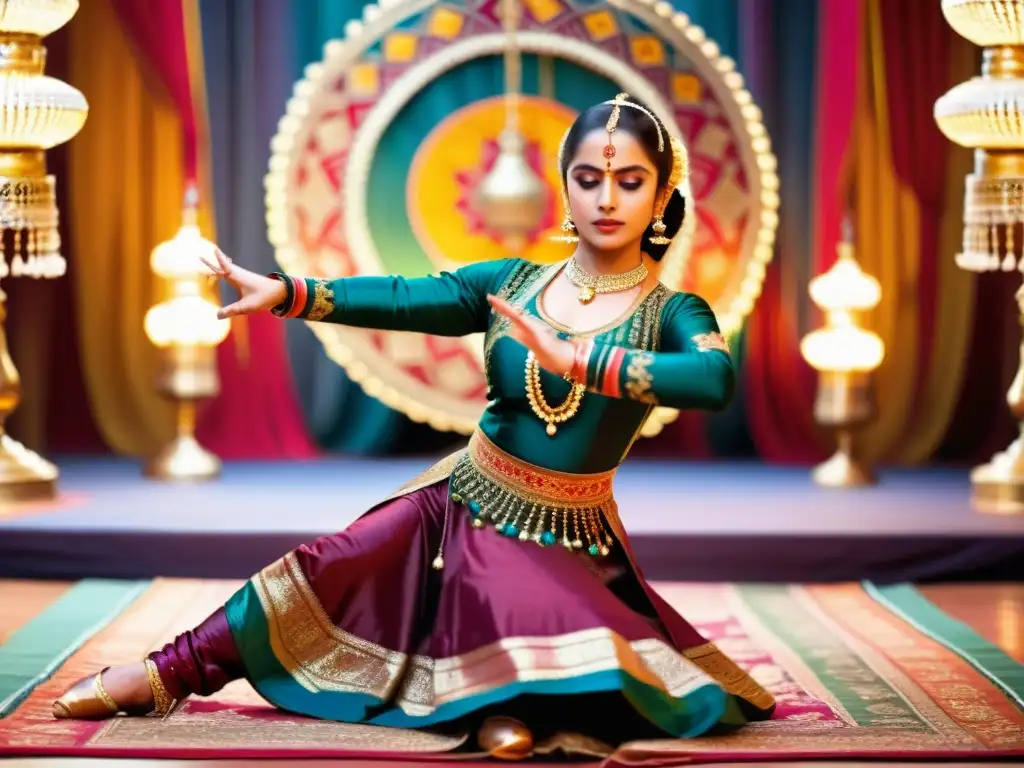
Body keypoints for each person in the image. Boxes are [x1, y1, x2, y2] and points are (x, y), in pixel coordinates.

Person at [53, 93, 774, 758]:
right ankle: (164, 673)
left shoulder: (675, 313)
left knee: (530, 599)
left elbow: (713, 381)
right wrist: (287, 293)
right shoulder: (512, 284)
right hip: (464, 494)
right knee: (327, 564)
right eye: (588, 179)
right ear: (565, 190)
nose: (606, 198)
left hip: (572, 533)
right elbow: (405, 298)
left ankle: (498, 707)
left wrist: (581, 359)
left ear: (661, 197)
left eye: (629, 181)